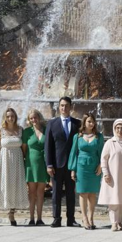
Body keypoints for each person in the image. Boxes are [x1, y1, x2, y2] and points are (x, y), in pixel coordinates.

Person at [44, 96, 81, 228]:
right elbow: (48, 146)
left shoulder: (77, 124)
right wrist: (49, 164)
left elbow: (79, 146)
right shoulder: (52, 124)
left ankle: (71, 219)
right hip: (56, 165)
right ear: (59, 107)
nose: (64, 108)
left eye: (66, 105)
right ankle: (56, 218)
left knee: (71, 193)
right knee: (56, 193)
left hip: (71, 166)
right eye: (61, 105)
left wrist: (77, 166)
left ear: (71, 107)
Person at [0, 108, 29, 226]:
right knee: (0, 185)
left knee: (15, 185)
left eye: (12, 116)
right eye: (8, 116)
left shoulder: (20, 130)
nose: (10, 118)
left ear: (15, 117)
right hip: (4, 161)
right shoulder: (1, 130)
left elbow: (23, 148)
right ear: (5, 117)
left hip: (17, 161)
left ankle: (11, 213)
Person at [68, 114, 104, 230]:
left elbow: (102, 152)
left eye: (93, 121)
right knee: (83, 193)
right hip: (81, 167)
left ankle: (91, 217)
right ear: (84, 123)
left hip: (94, 167)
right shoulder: (77, 137)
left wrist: (101, 166)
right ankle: (84, 218)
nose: (91, 124)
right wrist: (73, 170)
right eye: (89, 121)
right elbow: (73, 153)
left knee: (93, 193)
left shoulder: (99, 136)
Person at [98, 119, 122, 231]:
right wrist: (106, 173)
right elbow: (103, 159)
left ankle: (120, 221)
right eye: (117, 128)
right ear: (114, 129)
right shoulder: (109, 143)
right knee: (113, 200)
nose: (120, 130)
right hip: (113, 176)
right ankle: (113, 222)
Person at [22, 109, 49, 226]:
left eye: (35, 117)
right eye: (31, 118)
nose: (34, 120)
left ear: (39, 117)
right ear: (29, 120)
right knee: (31, 193)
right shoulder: (27, 132)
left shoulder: (46, 130)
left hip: (42, 165)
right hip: (30, 165)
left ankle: (39, 219)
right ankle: (31, 218)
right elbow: (24, 150)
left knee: (40, 193)